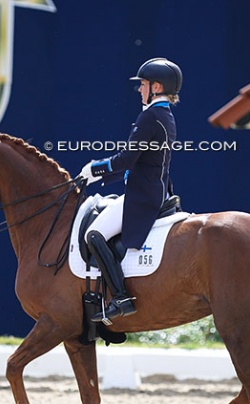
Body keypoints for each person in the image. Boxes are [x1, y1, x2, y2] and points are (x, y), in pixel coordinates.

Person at [77, 57, 182, 323]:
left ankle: (121, 297)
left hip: (143, 196)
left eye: (143, 84)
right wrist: (96, 178)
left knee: (94, 234)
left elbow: (126, 159)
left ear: (156, 87)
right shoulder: (165, 115)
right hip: (153, 189)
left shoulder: (150, 116)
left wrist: (95, 168)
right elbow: (135, 162)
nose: (139, 90)